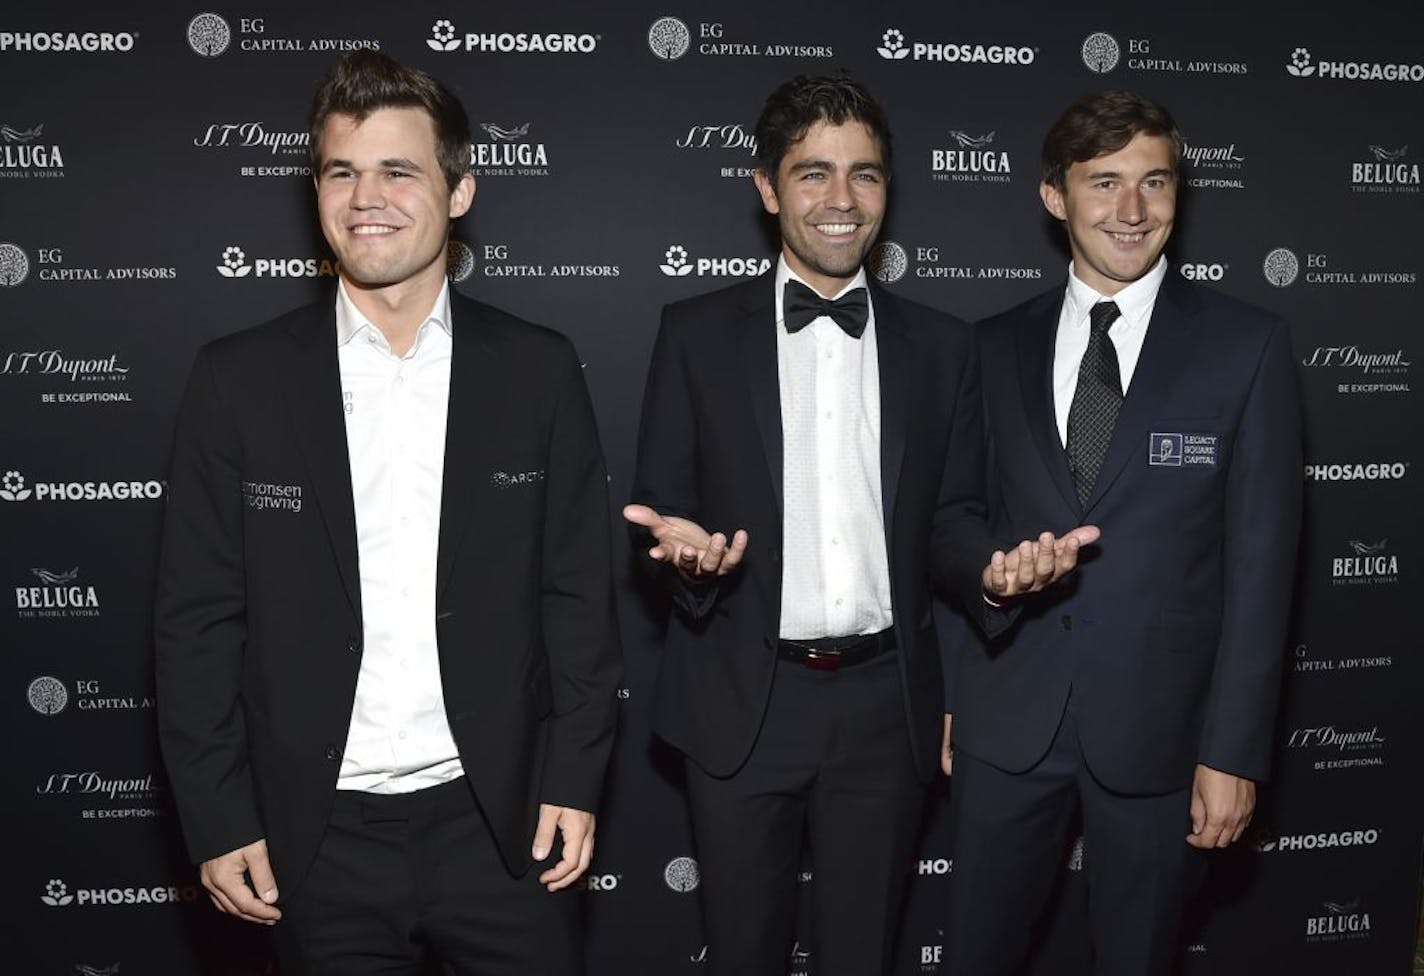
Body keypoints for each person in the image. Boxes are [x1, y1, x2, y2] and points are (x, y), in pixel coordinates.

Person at [154, 51, 621, 975]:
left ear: (458, 192)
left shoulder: (537, 369)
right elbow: (197, 620)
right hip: (314, 840)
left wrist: (574, 773)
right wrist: (218, 815)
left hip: (502, 824)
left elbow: (576, 595)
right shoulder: (237, 379)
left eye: (399, 170)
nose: (367, 196)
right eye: (342, 171)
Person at [625, 74, 1094, 976]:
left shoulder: (943, 346)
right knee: (743, 956)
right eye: (813, 173)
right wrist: (686, 563)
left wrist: (993, 572)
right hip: (741, 701)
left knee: (862, 956)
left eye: (866, 175)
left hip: (888, 707)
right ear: (767, 188)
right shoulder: (693, 334)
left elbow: (951, 521)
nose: (842, 200)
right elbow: (665, 518)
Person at [942, 90, 1301, 975]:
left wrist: (1233, 750)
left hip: (1164, 735)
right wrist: (952, 689)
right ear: (1055, 197)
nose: (1132, 211)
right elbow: (953, 525)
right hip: (1006, 719)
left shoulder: (1246, 347)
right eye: (1104, 183)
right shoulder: (986, 349)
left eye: (1156, 183)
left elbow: (1262, 569)